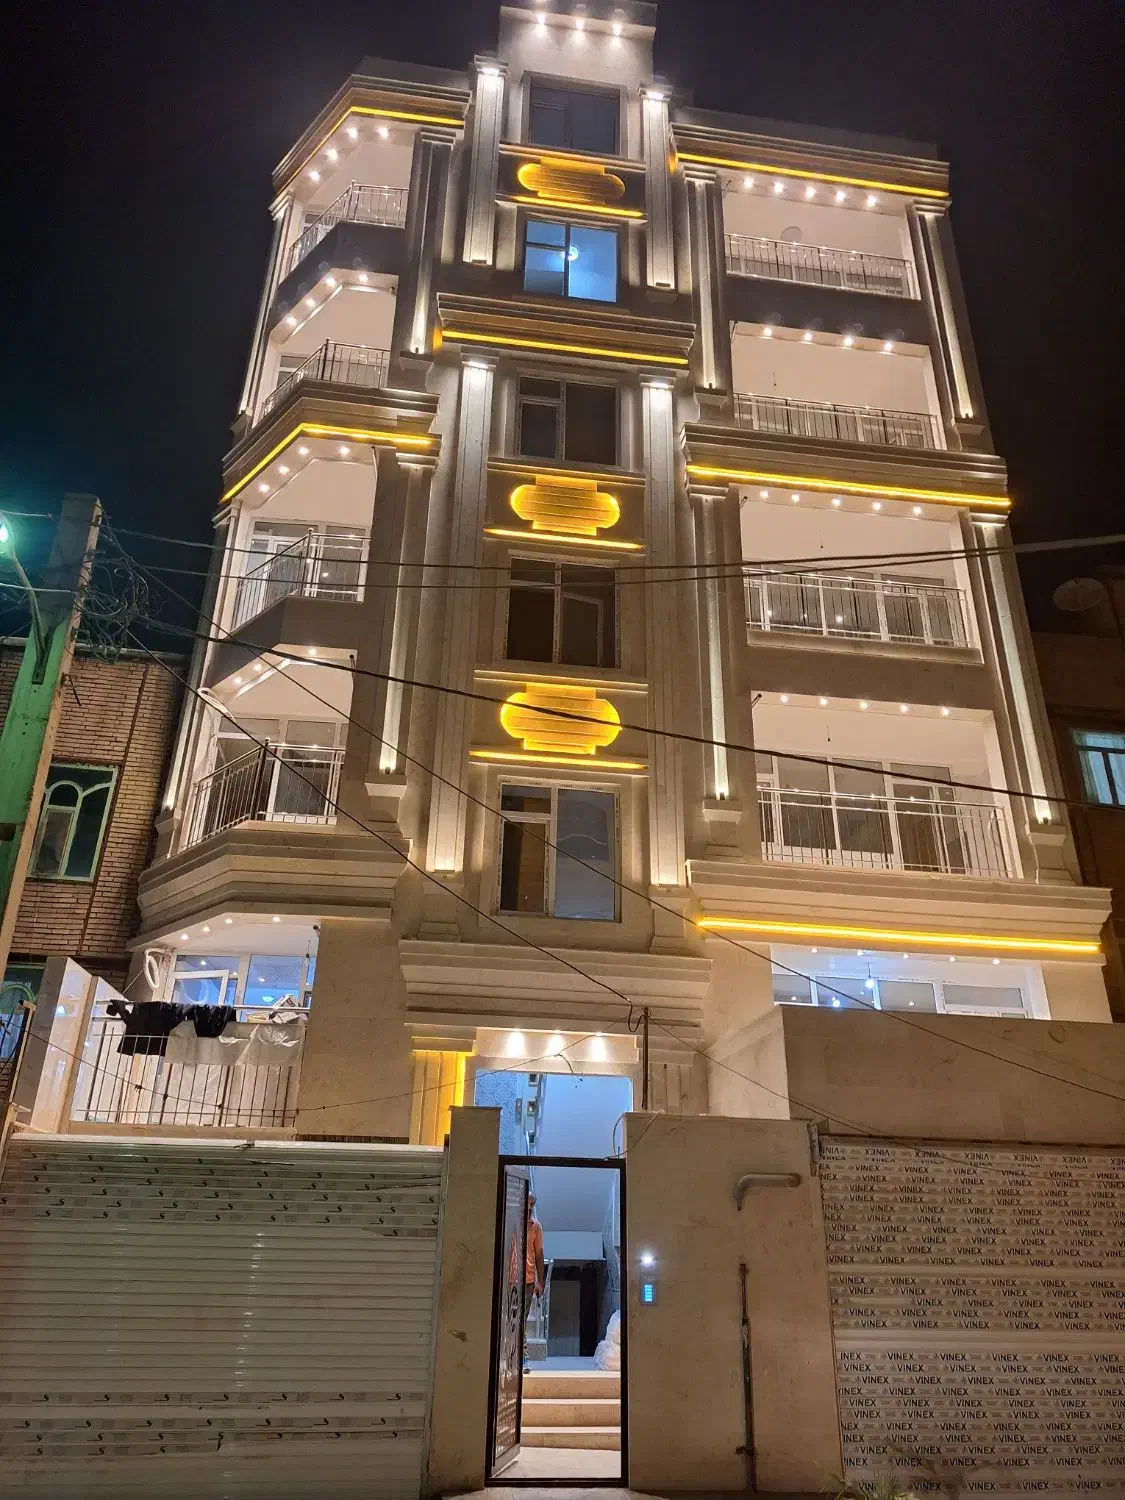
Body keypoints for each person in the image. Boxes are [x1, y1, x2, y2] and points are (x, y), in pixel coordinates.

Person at [523, 1193, 545, 1373]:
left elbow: (539, 1254)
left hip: (528, 1281)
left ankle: (523, 1359)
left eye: (532, 1204)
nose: (530, 1207)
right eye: (527, 1203)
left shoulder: (535, 1226)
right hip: (510, 1280)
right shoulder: (511, 1222)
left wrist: (540, 1281)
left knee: (521, 1321)